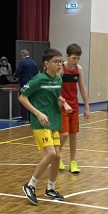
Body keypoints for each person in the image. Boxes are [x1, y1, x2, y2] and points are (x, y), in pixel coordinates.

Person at [19, 48, 72, 205]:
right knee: (51, 154)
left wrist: (63, 103)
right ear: (46, 64)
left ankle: (51, 188)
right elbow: (22, 97)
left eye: (60, 61)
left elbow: (56, 97)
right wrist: (38, 113)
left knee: (57, 156)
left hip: (53, 121)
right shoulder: (38, 80)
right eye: (56, 62)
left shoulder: (58, 80)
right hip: (40, 122)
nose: (59, 64)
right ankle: (30, 185)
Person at [58, 43, 91, 174]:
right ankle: (57, 155)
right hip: (62, 106)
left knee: (73, 135)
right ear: (67, 56)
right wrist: (63, 102)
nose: (76, 61)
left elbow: (82, 88)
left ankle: (73, 161)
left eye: (78, 58)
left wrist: (87, 107)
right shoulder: (61, 69)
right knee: (64, 134)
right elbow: (55, 89)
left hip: (74, 106)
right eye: (73, 58)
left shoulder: (79, 69)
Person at [15, 49, 38, 122]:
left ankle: (24, 117)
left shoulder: (22, 63)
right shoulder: (34, 63)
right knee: (31, 101)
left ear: (23, 55)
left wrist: (15, 76)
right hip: (32, 83)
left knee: (23, 99)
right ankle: (31, 117)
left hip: (24, 83)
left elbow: (18, 73)